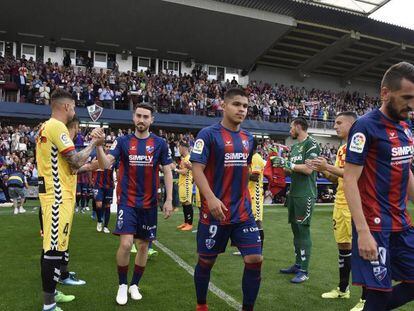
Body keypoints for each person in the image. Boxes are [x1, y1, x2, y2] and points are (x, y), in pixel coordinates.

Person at [343, 62, 414, 311]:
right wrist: (362, 232)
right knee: (379, 295)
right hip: (374, 226)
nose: (412, 104)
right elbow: (349, 179)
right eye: (406, 97)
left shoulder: (406, 126)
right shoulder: (364, 127)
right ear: (385, 93)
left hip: (402, 224)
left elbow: (405, 171)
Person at [190, 88, 263, 311]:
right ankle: (201, 305)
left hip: (242, 212)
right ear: (224, 105)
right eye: (237, 104)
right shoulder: (208, 134)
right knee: (206, 261)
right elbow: (197, 168)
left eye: (246, 106)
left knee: (255, 259)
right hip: (214, 212)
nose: (242, 109)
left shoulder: (249, 139)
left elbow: (242, 167)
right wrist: (210, 199)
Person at [95, 103, 173, 306]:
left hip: (149, 203)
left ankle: (134, 285)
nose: (142, 120)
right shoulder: (122, 141)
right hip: (127, 201)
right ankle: (122, 284)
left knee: (144, 246)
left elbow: (167, 171)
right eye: (138, 115)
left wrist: (169, 200)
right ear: (133, 117)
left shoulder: (160, 143)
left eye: (146, 117)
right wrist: (98, 145)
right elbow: (105, 165)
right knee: (126, 243)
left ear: (151, 120)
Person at [36, 89, 104, 311]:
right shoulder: (56, 126)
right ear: (65, 107)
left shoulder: (47, 127)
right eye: (73, 107)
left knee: (53, 247)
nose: (74, 111)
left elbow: (66, 166)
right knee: (53, 250)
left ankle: (54, 293)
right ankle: (49, 305)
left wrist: (88, 166)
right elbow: (74, 161)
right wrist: (94, 144)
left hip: (57, 194)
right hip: (57, 197)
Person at [307, 112, 367, 311]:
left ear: (352, 124)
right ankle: (343, 289)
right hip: (340, 203)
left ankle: (366, 299)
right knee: (343, 247)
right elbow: (338, 178)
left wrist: (328, 166)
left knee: (361, 250)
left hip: (356, 203)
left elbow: (354, 175)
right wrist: (322, 169)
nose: (335, 126)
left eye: (339, 123)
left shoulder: (360, 144)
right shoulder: (342, 148)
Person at [272, 117, 321, 283]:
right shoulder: (294, 147)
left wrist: (289, 164)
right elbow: (291, 170)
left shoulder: (312, 144)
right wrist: (280, 164)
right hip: (293, 194)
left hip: (305, 194)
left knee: (303, 231)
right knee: (295, 230)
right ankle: (298, 264)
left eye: (291, 127)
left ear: (299, 127)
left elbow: (308, 169)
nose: (290, 130)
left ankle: (304, 270)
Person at [175, 140, 194, 231]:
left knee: (187, 203)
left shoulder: (188, 158)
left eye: (179, 147)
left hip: (186, 183)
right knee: (183, 203)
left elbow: (185, 172)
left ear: (183, 148)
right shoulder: (183, 158)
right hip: (182, 183)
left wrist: (175, 169)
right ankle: (186, 222)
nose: (179, 149)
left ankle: (190, 223)